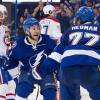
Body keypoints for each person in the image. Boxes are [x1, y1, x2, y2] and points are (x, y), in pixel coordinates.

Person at [41, 6, 100, 100]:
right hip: (89, 67)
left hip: (67, 67)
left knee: (68, 94)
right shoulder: (98, 29)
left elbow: (58, 52)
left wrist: (45, 67)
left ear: (79, 19)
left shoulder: (70, 30)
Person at [6, 17, 57, 100]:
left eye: (38, 28)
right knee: (22, 90)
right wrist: (7, 67)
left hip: (45, 71)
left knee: (50, 93)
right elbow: (12, 60)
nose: (37, 31)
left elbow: (56, 55)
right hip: (27, 71)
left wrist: (57, 70)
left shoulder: (48, 40)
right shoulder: (19, 44)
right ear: (27, 31)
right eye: (33, 29)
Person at [0, 4, 16, 100]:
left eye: (2, 15)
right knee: (3, 85)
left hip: (3, 59)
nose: (2, 17)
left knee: (11, 84)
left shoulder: (4, 28)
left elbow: (6, 44)